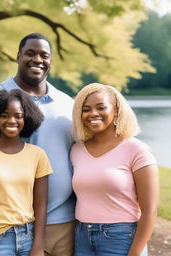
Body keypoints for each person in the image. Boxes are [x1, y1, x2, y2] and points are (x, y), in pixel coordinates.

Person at [0, 33, 75, 256]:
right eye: (30, 53)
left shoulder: (68, 105)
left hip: (64, 224)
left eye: (44, 55)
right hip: (7, 228)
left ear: (51, 61)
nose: (37, 59)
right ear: (18, 56)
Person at [71, 83, 159, 256]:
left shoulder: (136, 149)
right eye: (86, 109)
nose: (93, 114)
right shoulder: (76, 150)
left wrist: (135, 253)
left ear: (117, 110)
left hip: (121, 237)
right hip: (82, 237)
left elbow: (150, 209)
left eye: (101, 107)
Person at [0, 89, 52, 256]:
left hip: (29, 237)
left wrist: (38, 246)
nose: (12, 120)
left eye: (18, 116)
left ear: (26, 118)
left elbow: (41, 205)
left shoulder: (38, 155)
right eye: (5, 115)